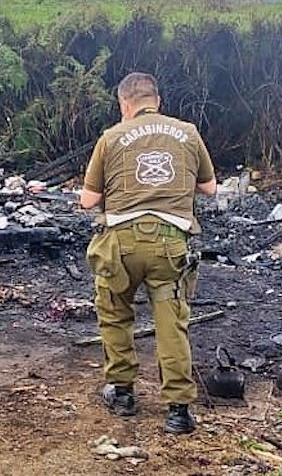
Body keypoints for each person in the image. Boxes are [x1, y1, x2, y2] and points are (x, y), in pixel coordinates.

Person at [79, 72, 217, 435]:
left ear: (125, 104)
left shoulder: (111, 137)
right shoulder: (187, 131)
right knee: (172, 324)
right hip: (171, 244)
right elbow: (209, 187)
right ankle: (178, 412)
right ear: (157, 101)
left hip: (120, 244)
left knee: (115, 314)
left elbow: (88, 200)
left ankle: (123, 394)